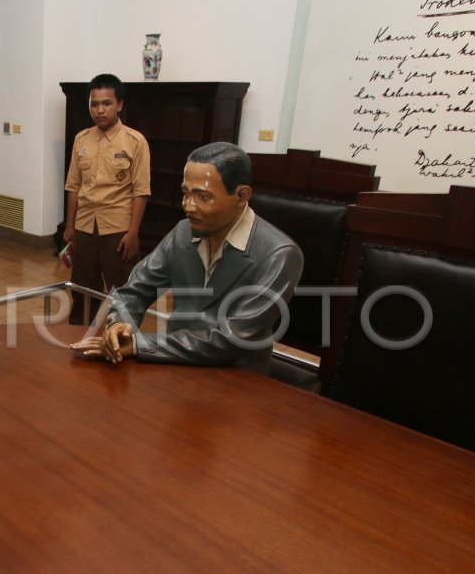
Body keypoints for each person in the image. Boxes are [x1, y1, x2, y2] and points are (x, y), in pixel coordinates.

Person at [71, 142, 303, 374]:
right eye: (185, 193)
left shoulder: (280, 255)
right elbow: (134, 291)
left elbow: (231, 340)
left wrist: (140, 344)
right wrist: (120, 325)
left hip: (236, 380)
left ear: (241, 195)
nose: (188, 207)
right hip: (175, 366)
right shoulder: (183, 232)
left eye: (202, 196)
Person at [63, 73, 151, 323]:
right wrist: (71, 226)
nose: (99, 110)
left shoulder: (135, 142)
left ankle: (121, 338)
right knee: (82, 291)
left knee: (122, 293)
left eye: (106, 103)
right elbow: (73, 186)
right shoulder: (81, 139)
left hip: (118, 230)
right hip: (84, 228)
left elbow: (141, 191)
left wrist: (133, 232)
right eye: (94, 104)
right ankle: (80, 339)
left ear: (120, 104)